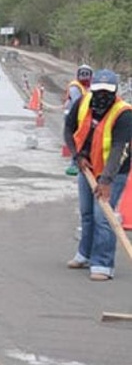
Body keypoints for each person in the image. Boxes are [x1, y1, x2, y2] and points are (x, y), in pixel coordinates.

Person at [63, 69, 132, 281]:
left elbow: (118, 149)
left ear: (115, 91)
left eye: (107, 91)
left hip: (114, 170)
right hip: (88, 165)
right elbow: (68, 130)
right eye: (98, 91)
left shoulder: (124, 114)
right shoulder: (82, 103)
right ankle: (85, 254)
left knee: (103, 216)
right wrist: (77, 156)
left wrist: (106, 181)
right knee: (87, 213)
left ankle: (103, 264)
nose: (102, 96)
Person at [63, 65, 92, 176]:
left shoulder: (87, 87)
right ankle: (74, 164)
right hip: (73, 117)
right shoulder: (75, 87)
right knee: (77, 140)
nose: (85, 77)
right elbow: (77, 103)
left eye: (87, 74)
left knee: (80, 140)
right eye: (83, 74)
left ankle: (76, 163)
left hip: (81, 117)